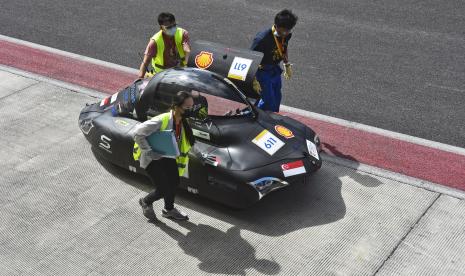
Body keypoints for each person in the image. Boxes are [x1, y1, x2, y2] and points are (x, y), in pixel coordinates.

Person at [133, 91, 196, 221]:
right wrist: (149, 151)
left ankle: (169, 209)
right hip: (152, 157)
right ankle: (145, 201)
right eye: (187, 107)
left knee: (174, 182)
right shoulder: (162, 120)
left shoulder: (182, 122)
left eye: (192, 107)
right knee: (162, 189)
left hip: (168, 156)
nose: (191, 110)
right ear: (176, 106)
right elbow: (138, 133)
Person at [250, 9, 298, 112]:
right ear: (276, 26)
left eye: (289, 30)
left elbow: (284, 48)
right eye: (284, 30)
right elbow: (250, 59)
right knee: (268, 101)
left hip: (274, 70)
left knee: (277, 96)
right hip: (262, 72)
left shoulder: (285, 35)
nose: (286, 33)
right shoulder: (262, 39)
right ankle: (258, 119)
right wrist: (253, 80)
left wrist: (287, 65)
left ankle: (266, 115)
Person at [137, 12, 191, 78]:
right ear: (161, 28)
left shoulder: (183, 34)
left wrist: (187, 53)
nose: (173, 28)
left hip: (179, 72)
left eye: (174, 25)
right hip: (160, 76)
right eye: (169, 27)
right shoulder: (155, 42)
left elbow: (187, 51)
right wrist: (140, 78)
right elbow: (145, 62)